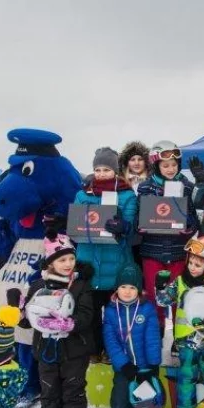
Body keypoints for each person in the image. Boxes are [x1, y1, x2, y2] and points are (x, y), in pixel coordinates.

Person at [21, 230, 94, 408]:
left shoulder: (80, 285)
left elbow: (87, 314)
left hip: (74, 349)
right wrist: (21, 313)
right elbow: (27, 322)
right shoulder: (36, 286)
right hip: (46, 350)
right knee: (49, 391)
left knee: (73, 390)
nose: (68, 263)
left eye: (71, 258)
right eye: (62, 259)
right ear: (51, 262)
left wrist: (70, 324)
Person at [155, 236, 204, 408]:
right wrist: (160, 286)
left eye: (199, 264)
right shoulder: (180, 282)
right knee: (186, 376)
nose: (193, 267)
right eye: (191, 262)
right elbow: (163, 301)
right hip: (186, 342)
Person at [72, 147, 137, 361]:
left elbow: (132, 226)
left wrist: (123, 226)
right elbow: (75, 226)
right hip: (88, 260)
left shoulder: (127, 195)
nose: (101, 174)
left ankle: (113, 350)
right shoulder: (82, 194)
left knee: (114, 313)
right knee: (89, 312)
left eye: (106, 169)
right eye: (98, 169)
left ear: (116, 171)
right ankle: (93, 350)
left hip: (114, 262)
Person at [136, 140, 200, 328]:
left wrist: (189, 226)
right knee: (153, 295)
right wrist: (139, 225)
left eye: (174, 165)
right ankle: (157, 332)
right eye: (165, 165)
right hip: (152, 250)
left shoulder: (186, 186)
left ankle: (179, 337)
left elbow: (194, 219)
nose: (170, 169)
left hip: (178, 251)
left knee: (178, 295)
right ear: (157, 165)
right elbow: (138, 216)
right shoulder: (145, 187)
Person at [103, 264, 162, 408]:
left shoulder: (146, 309)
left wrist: (152, 365)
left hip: (144, 365)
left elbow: (152, 339)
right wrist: (124, 365)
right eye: (123, 287)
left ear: (139, 289)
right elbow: (110, 341)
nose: (127, 292)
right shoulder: (111, 312)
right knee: (120, 398)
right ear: (116, 289)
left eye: (132, 287)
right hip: (124, 369)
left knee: (143, 398)